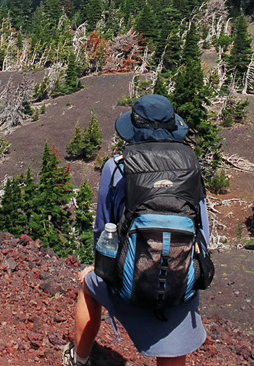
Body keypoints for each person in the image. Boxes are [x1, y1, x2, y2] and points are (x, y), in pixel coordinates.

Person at [66, 94, 210, 366]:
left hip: (129, 281)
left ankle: (79, 359)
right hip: (180, 281)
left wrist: (101, 268)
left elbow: (104, 228)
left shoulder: (118, 166)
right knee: (174, 331)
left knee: (89, 285)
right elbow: (203, 230)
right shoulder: (192, 166)